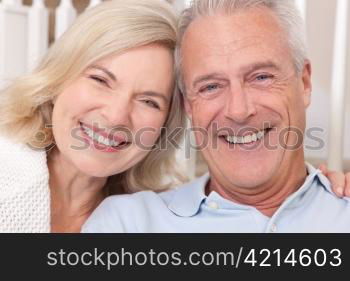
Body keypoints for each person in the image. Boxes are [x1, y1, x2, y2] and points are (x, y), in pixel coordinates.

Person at [82, 0, 350, 233]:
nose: (238, 110)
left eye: (261, 77)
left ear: (304, 83)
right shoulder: (130, 225)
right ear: (188, 105)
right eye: (211, 86)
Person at [0, 0, 186, 232]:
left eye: (148, 102)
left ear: (165, 126)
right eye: (100, 80)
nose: (116, 116)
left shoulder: (156, 220)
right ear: (58, 79)